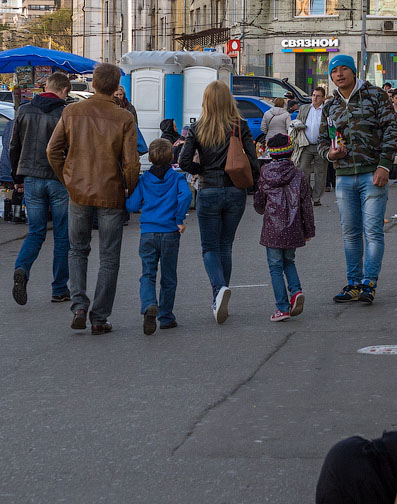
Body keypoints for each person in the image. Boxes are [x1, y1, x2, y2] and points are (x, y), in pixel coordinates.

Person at [47, 62, 139, 335]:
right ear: (115, 87)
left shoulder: (72, 111)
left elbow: (53, 151)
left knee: (77, 250)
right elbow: (132, 164)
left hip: (78, 191)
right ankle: (99, 317)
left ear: (94, 84)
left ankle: (78, 305)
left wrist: (68, 180)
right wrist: (128, 190)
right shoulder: (124, 118)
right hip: (111, 192)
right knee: (109, 257)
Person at [317, 54, 397, 305]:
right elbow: (322, 142)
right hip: (343, 177)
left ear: (353, 72)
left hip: (372, 174)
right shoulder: (330, 106)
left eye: (344, 69)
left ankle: (368, 283)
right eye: (334, 71)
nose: (339, 74)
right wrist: (330, 154)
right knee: (350, 233)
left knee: (372, 231)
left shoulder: (375, 95)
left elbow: (391, 131)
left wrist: (384, 166)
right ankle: (353, 283)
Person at [178, 80, 259, 324]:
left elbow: (183, 162)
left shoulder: (198, 127)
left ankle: (218, 290)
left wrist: (200, 168)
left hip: (208, 190)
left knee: (209, 248)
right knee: (226, 246)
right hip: (234, 190)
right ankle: (221, 293)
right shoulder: (240, 125)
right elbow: (253, 162)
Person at [10, 72, 73, 305]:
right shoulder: (65, 112)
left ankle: (22, 269)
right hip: (58, 179)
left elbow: (14, 146)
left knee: (35, 232)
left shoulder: (24, 110)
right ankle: (59, 289)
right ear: (65, 90)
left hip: (31, 178)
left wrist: (16, 179)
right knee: (62, 235)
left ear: (46, 86)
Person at [126, 138, 192, 334]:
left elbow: (131, 205)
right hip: (170, 231)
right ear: (172, 156)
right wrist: (179, 218)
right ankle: (166, 316)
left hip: (148, 232)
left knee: (148, 273)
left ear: (150, 158)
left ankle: (148, 304)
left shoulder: (144, 180)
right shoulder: (177, 178)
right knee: (169, 277)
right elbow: (186, 196)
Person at [253, 134, 314, 322]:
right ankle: (296, 291)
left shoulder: (265, 173)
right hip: (294, 225)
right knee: (289, 261)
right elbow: (306, 203)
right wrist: (308, 229)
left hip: (273, 226)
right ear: (291, 151)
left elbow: (259, 200)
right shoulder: (298, 174)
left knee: (275, 266)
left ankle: (282, 307)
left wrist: (261, 208)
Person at [294, 86, 329, 206]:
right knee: (303, 170)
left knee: (320, 173)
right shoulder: (304, 108)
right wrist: (298, 125)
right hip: (306, 145)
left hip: (321, 146)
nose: (315, 98)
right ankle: (307, 193)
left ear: (323, 98)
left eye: (318, 96)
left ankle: (316, 197)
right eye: (313, 95)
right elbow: (297, 121)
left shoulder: (326, 111)